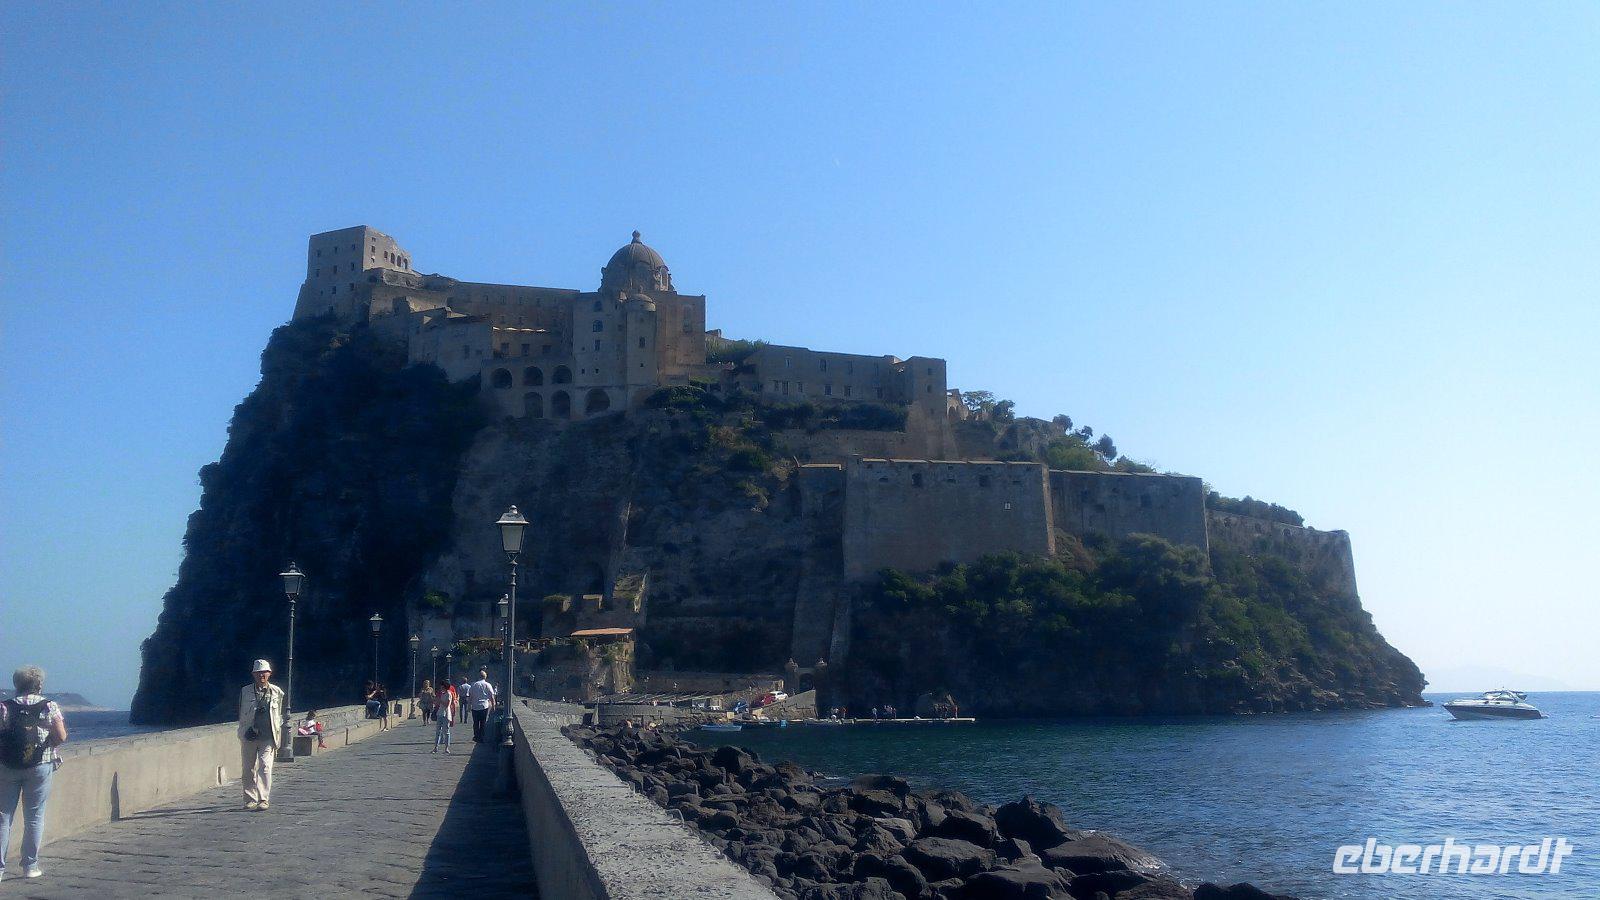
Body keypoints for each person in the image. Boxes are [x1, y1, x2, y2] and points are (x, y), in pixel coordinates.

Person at [1, 665, 68, 882]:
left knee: (3, 818)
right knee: (34, 817)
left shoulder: (4, 707)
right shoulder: (49, 706)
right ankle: (30, 866)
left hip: (7, 766)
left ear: (16, 684)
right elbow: (61, 736)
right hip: (40, 765)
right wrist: (47, 745)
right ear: (39, 684)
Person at [237, 659, 284, 811]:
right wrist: (243, 731)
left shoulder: (277, 692)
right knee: (248, 769)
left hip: (268, 736)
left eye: (264, 672)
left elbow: (278, 714)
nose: (261, 675)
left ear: (269, 674)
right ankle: (250, 799)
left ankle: (263, 799)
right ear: (253, 674)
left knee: (265, 767)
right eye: (258, 673)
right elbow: (240, 712)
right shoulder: (245, 691)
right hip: (249, 736)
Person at [466, 669, 496, 742]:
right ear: (485, 677)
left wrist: (469, 706)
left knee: (476, 723)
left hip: (475, 706)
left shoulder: (473, 685)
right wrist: (493, 705)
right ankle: (482, 737)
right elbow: (491, 696)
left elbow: (470, 696)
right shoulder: (487, 685)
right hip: (484, 706)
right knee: (483, 722)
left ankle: (476, 736)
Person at [432, 680, 456, 754]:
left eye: (442, 686)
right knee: (438, 731)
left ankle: (446, 748)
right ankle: (436, 747)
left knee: (446, 731)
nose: (440, 688)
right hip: (440, 713)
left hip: (446, 714)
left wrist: (439, 701)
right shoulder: (442, 694)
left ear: (445, 687)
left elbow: (447, 705)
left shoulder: (449, 694)